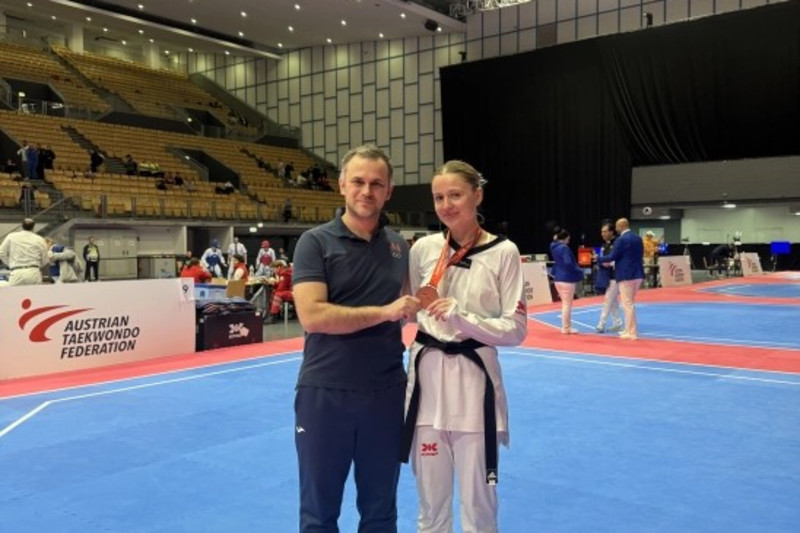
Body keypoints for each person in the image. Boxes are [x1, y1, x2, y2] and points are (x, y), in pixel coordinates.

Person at [291, 145, 420, 532]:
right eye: (359, 181)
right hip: (324, 394)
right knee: (318, 514)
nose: (367, 191)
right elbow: (313, 316)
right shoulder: (314, 242)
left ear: (389, 191)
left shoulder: (399, 247)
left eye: (377, 184)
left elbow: (416, 303)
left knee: (381, 512)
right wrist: (385, 312)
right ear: (342, 185)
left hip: (386, 394)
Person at [402, 160, 527, 532]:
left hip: (474, 389)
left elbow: (516, 329)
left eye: (455, 195)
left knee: (479, 506)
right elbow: (412, 308)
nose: (446, 205)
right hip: (426, 387)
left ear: (478, 195)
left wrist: (462, 318)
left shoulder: (504, 251)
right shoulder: (423, 249)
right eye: (438, 197)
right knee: (430, 506)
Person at [598, 218, 644, 340]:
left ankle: (631, 332)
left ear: (620, 227)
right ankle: (628, 329)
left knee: (627, 304)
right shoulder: (638, 238)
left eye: (617, 227)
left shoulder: (621, 239)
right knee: (629, 303)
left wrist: (598, 259)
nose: (616, 229)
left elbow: (613, 256)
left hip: (626, 275)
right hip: (638, 274)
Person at [549, 226, 584, 334]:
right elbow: (568, 263)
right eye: (568, 239)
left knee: (565, 303)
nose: (568, 242)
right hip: (566, 279)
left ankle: (566, 327)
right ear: (563, 239)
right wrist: (578, 270)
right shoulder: (564, 248)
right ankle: (566, 328)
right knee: (567, 304)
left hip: (558, 279)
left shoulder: (553, 246)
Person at [0, 218, 49, 286]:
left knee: (15, 292)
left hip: (17, 271)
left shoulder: (11, 236)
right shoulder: (40, 239)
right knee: (34, 293)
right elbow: (45, 259)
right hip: (33, 272)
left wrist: (10, 263)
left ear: (22, 226)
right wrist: (37, 266)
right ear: (33, 227)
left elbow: (1, 252)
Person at [594, 222, 622, 333]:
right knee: (613, 301)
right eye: (602, 232)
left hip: (616, 276)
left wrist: (610, 263)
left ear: (611, 232)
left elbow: (619, 258)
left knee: (608, 299)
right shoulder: (604, 245)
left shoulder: (618, 243)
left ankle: (601, 324)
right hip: (607, 275)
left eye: (605, 231)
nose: (603, 234)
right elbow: (603, 259)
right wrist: (600, 261)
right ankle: (617, 323)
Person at [263, 259, 293, 324]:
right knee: (274, 292)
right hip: (289, 290)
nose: (273, 271)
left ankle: (273, 316)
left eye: (273, 269)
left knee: (278, 294)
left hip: (293, 292)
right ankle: (273, 314)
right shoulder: (283, 273)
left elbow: (281, 288)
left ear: (279, 267)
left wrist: (274, 285)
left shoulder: (284, 274)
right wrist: (273, 283)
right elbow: (281, 285)